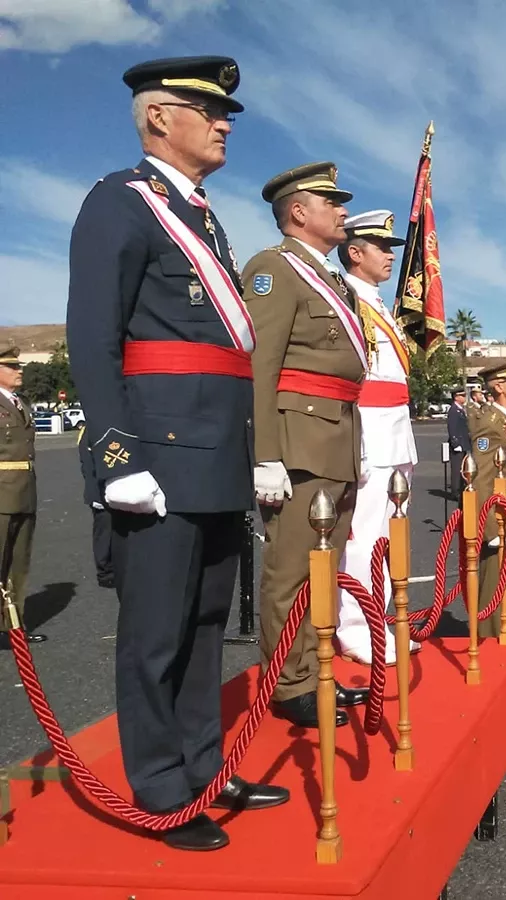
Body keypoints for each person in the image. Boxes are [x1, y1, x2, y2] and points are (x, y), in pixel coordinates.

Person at [66, 57, 286, 851]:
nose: (225, 121)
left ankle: (203, 768)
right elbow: (94, 339)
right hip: (156, 458)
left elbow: (223, 352)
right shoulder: (118, 204)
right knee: (155, 633)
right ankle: (160, 791)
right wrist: (117, 455)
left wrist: (253, 452)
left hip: (215, 455)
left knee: (202, 624)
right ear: (160, 118)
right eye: (209, 109)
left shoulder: (202, 217)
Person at [242, 161, 369, 728]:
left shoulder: (332, 278)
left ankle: (313, 667)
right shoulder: (274, 269)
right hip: (297, 438)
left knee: (325, 563)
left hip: (337, 432)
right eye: (332, 201)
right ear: (299, 211)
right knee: (292, 565)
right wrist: (265, 454)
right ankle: (288, 682)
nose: (343, 210)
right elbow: (260, 366)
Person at [333, 209, 418, 666]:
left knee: (388, 533)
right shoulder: (347, 299)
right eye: (381, 248)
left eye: (390, 248)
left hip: (395, 431)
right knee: (362, 536)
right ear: (354, 252)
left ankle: (377, 620)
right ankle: (355, 629)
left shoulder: (378, 303)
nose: (389, 256)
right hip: (368, 430)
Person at [470, 358, 506, 636]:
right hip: (500, 517)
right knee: (495, 584)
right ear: (498, 387)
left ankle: (500, 637)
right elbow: (482, 479)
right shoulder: (490, 424)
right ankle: (489, 642)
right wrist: (490, 529)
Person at [0, 348, 41, 643]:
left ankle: (13, 627)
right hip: (1, 490)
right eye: (11, 366)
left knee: (19, 562)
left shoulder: (21, 403)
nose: (19, 370)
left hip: (25, 490)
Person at [77, 423, 114, 589]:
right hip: (100, 491)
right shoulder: (91, 429)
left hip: (111, 490)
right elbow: (88, 465)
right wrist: (96, 493)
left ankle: (113, 567)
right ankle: (105, 572)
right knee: (104, 534)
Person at [447, 385, 469, 498]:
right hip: (458, 444)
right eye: (462, 396)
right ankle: (455, 491)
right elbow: (452, 427)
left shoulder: (460, 409)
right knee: (456, 469)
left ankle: (460, 488)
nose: (464, 398)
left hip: (463, 443)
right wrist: (455, 443)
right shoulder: (454, 410)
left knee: (462, 468)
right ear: (456, 397)